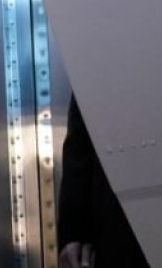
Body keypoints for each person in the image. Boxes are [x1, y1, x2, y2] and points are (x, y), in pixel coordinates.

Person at [57, 94, 151, 268]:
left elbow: (79, 147)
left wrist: (74, 232)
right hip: (117, 218)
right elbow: (80, 145)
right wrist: (74, 231)